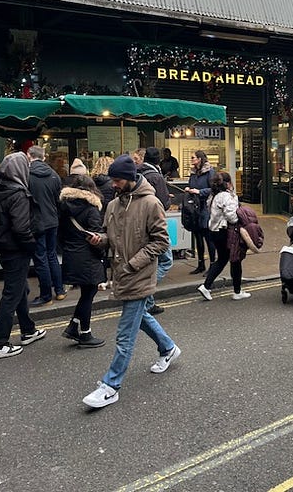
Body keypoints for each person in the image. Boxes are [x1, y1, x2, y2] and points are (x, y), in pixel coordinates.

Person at [82, 154, 180, 409]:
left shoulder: (151, 203)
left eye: (116, 180)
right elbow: (109, 236)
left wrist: (133, 264)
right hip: (122, 274)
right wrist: (99, 239)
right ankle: (168, 348)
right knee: (141, 317)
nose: (113, 184)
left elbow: (161, 242)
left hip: (139, 274)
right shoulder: (113, 205)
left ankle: (110, 386)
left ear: (129, 178)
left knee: (125, 335)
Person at [0, 152, 46, 359]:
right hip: (16, 249)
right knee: (11, 294)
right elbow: (21, 228)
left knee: (19, 288)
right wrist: (31, 247)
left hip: (3, 248)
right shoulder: (18, 194)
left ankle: (28, 330)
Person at [58, 175, 106, 347]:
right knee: (88, 294)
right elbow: (96, 236)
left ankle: (73, 326)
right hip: (87, 257)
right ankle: (85, 334)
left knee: (87, 293)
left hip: (71, 254)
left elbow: (60, 235)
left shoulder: (63, 207)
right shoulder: (91, 208)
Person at [197, 172, 251, 301]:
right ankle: (237, 292)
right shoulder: (226, 196)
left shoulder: (213, 196)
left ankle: (206, 286)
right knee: (235, 259)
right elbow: (231, 217)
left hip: (214, 231)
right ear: (227, 183)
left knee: (222, 259)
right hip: (226, 232)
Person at [27, 145, 66, 307]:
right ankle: (60, 290)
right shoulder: (54, 175)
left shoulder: (27, 175)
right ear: (43, 157)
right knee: (52, 255)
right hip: (52, 221)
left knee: (40, 258)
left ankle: (45, 295)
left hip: (37, 222)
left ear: (29, 156)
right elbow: (59, 199)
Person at [137, 147, 174, 314]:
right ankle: (145, 290)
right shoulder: (156, 176)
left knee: (150, 261)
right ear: (158, 160)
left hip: (139, 225)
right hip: (155, 225)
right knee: (166, 261)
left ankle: (149, 303)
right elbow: (163, 203)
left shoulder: (137, 173)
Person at [185, 150, 216, 274]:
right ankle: (201, 264)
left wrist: (199, 192)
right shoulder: (193, 173)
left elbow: (213, 188)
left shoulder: (210, 172)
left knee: (208, 238)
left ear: (199, 159)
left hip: (206, 208)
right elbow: (190, 185)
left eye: (193, 158)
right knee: (198, 238)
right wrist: (189, 189)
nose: (191, 160)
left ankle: (213, 265)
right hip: (195, 209)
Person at [91, 156, 115, 291]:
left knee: (98, 250)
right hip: (109, 219)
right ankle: (110, 280)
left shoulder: (91, 183)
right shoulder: (113, 183)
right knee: (112, 250)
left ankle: (100, 279)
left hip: (95, 219)